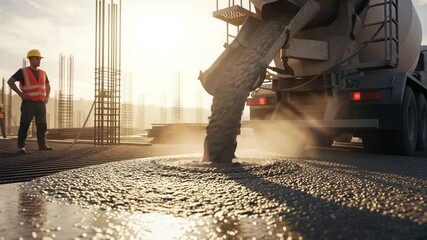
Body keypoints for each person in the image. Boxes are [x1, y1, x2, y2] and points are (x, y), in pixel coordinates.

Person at [7, 49, 54, 153]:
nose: (39, 61)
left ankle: (42, 145)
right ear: (30, 59)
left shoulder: (43, 73)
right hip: (29, 103)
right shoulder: (23, 71)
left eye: (40, 59)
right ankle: (21, 146)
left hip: (41, 103)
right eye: (37, 59)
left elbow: (47, 85)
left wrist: (47, 96)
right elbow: (10, 81)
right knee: (25, 124)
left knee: (42, 125)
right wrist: (21, 94)